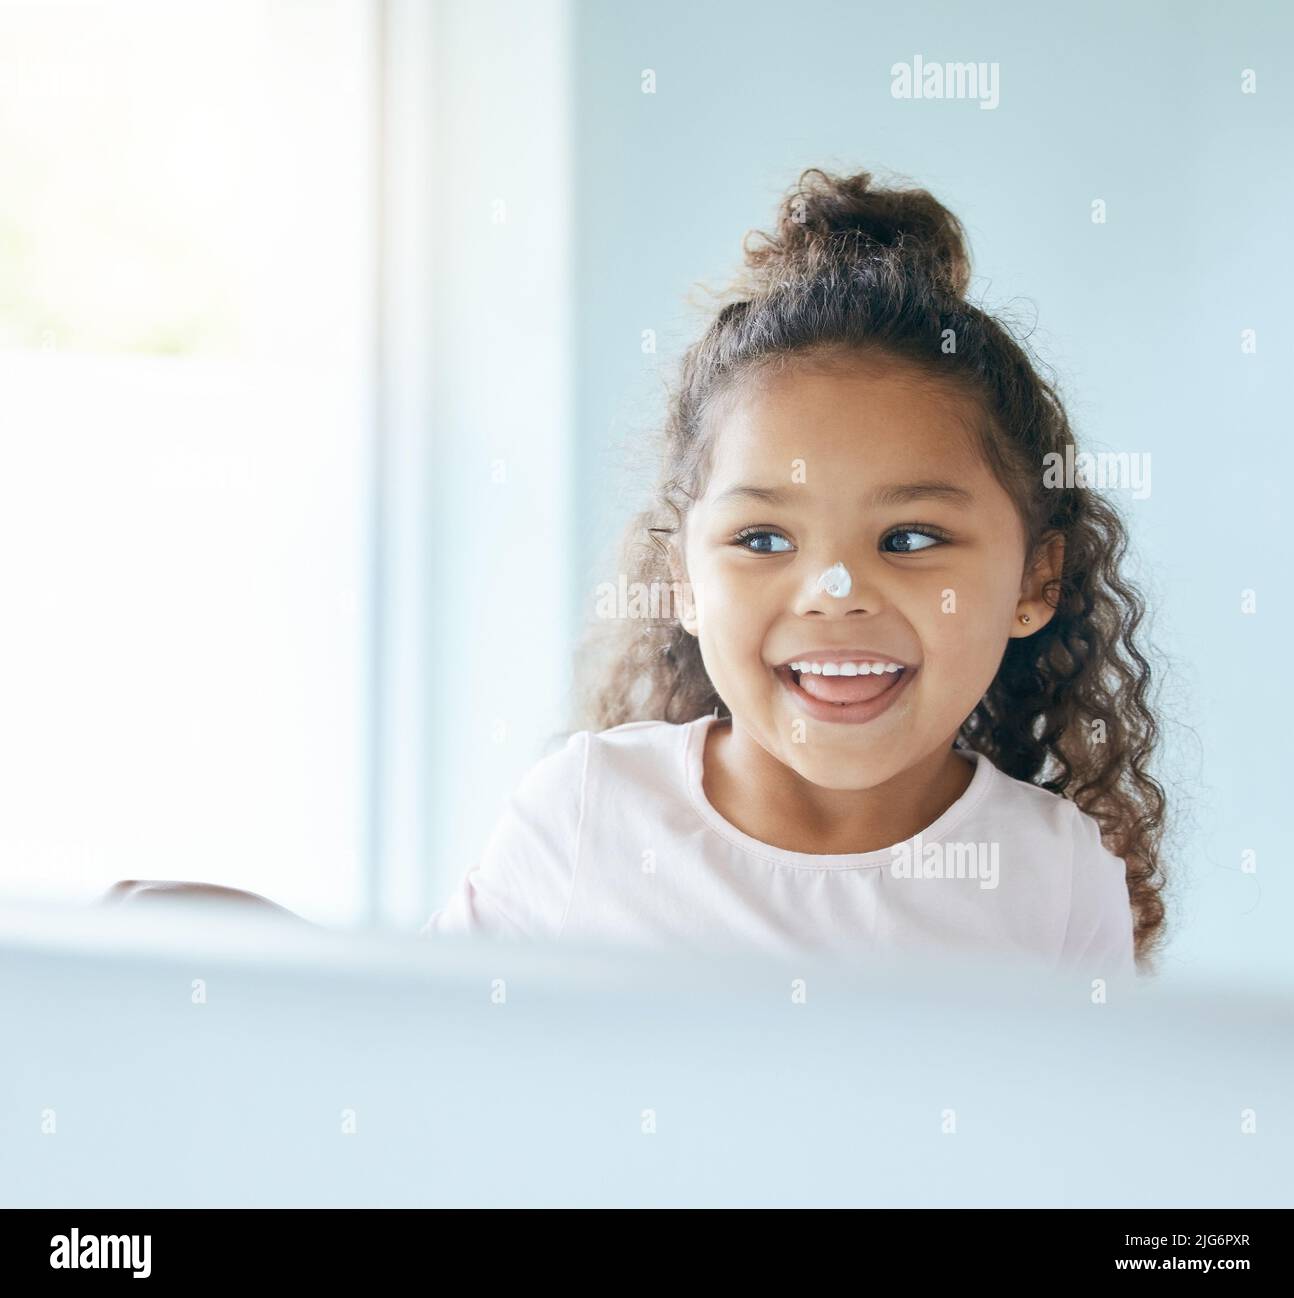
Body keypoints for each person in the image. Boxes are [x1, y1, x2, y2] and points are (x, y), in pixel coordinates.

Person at [421, 166, 1168, 976]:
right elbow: (416, 1053)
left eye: (911, 539)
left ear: (1034, 582)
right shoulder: (586, 815)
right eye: (765, 540)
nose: (834, 593)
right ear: (684, 580)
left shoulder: (1055, 880)